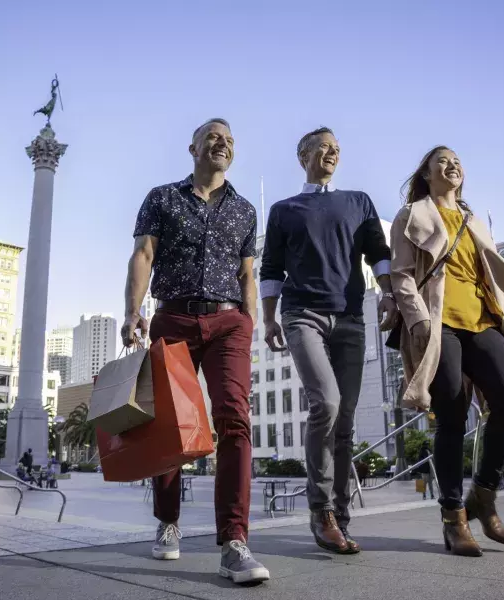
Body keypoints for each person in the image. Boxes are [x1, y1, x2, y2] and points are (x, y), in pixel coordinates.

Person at [121, 118, 268, 584]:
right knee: (172, 424)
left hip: (229, 322)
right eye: (213, 136)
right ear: (193, 148)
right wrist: (132, 312)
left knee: (233, 416)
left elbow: (248, 272)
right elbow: (143, 254)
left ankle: (235, 541)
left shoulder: (245, 210)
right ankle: (168, 524)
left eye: (229, 138)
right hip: (174, 318)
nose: (222, 142)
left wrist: (250, 319)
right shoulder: (161, 198)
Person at [389, 146, 504, 557]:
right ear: (425, 171)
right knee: (452, 415)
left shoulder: (474, 221)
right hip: (439, 324)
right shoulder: (412, 215)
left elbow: (495, 287)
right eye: (442, 160)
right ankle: (453, 517)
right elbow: (402, 275)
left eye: (457, 160)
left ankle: (484, 494)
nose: (452, 164)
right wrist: (419, 320)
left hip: (485, 321)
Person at [261, 127, 398, 555]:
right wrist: (268, 319)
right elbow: (270, 268)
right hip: (302, 315)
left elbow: (379, 253)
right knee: (327, 403)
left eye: (337, 149)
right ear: (303, 155)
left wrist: (389, 295)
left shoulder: (358, 202)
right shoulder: (285, 209)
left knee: (346, 420)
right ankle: (319, 510)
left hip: (352, 318)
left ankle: (340, 515)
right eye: (323, 147)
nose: (332, 153)